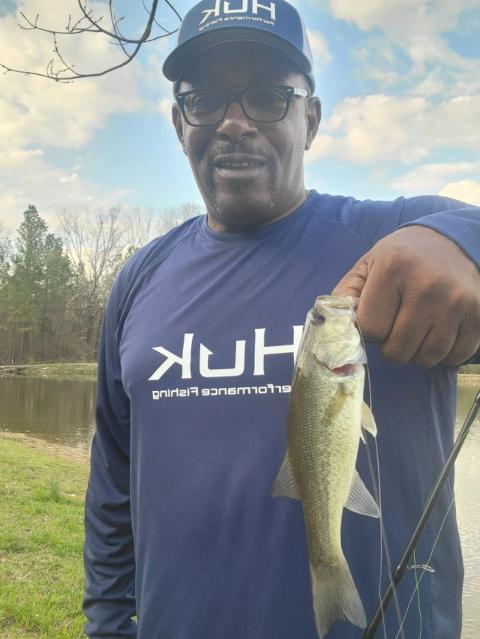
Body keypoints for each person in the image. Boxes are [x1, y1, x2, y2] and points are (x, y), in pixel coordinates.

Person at [82, 1, 480, 638]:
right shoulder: (138, 279)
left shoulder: (395, 236)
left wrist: (464, 241)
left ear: (310, 119)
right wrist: (107, 623)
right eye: (204, 100)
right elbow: (112, 482)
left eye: (269, 97)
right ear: (179, 122)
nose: (234, 123)